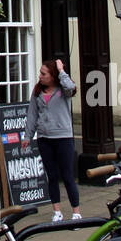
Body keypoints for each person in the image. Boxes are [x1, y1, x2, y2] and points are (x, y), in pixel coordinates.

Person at [22, 58, 81, 222]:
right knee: (52, 176)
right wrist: (28, 136)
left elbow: (71, 87)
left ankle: (76, 212)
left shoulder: (64, 89)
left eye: (43, 73)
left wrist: (62, 71)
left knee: (68, 176)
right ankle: (57, 211)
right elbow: (32, 114)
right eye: (40, 73)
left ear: (52, 75)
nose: (40, 76)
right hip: (44, 138)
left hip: (63, 137)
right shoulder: (37, 92)